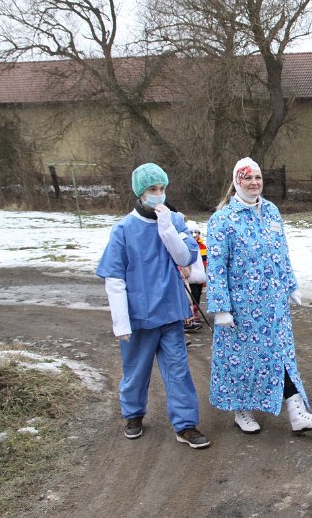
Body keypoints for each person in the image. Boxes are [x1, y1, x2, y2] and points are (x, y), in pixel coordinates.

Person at [205, 157, 312, 435]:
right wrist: (221, 308)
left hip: (274, 305)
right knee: (242, 361)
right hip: (241, 308)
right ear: (237, 181)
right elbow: (216, 267)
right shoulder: (223, 219)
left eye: (258, 177)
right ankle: (241, 410)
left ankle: (297, 413)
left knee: (281, 357)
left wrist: (290, 285)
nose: (254, 183)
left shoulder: (271, 211)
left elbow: (281, 252)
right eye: (248, 178)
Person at [96, 162, 210, 449]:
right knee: (136, 370)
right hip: (139, 316)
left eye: (162, 188)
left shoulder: (175, 221)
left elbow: (185, 258)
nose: (159, 194)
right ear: (140, 192)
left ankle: (185, 425)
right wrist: (121, 322)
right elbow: (114, 278)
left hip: (170, 313)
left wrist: (167, 228)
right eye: (152, 189)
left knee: (178, 371)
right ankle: (133, 414)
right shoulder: (123, 229)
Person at [183, 220, 206, 331]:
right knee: (191, 296)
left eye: (196, 232)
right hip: (189, 275)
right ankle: (190, 317)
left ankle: (194, 313)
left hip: (200, 274)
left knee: (197, 294)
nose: (195, 235)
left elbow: (204, 260)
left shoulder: (202, 246)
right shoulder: (185, 245)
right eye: (192, 233)